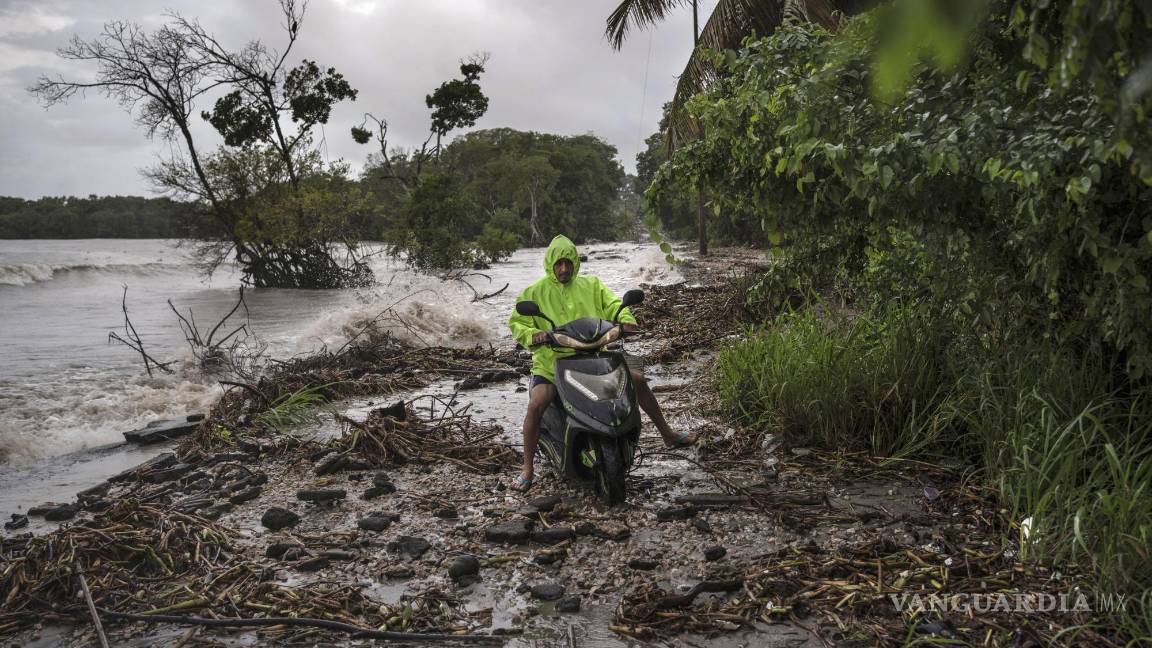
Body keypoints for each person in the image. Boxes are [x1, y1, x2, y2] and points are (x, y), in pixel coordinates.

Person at [506, 235, 698, 492]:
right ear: (550, 265)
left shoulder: (592, 285)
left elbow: (614, 305)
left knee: (638, 380)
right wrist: (533, 335)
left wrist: (626, 319)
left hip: (596, 358)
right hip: (552, 364)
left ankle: (668, 435)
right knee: (537, 402)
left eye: (567, 263)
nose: (563, 269)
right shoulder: (535, 292)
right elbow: (517, 321)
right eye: (558, 264)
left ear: (575, 263)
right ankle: (527, 469)